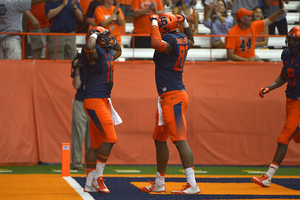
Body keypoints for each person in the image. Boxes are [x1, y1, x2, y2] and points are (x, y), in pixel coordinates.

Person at [138, 13, 200, 194]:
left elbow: (156, 43)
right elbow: (191, 40)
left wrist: (154, 22)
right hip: (169, 96)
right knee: (159, 140)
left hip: (173, 97)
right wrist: (186, 22)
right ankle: (159, 183)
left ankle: (193, 184)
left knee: (180, 140)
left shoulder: (169, 41)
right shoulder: (181, 38)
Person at [251, 26, 300, 187]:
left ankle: (268, 176)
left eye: (294, 40)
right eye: (290, 39)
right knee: (297, 137)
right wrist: (269, 87)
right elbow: (284, 75)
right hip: (290, 100)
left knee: (284, 138)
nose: (290, 43)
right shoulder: (287, 54)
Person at [82, 26, 122, 193]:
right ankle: (98, 178)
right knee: (111, 138)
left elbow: (119, 49)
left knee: (96, 143)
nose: (107, 39)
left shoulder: (107, 52)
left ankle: (88, 183)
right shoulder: (93, 52)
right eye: (103, 36)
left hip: (103, 100)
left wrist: (109, 35)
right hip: (94, 100)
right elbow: (90, 47)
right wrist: (94, 34)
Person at [71, 52, 91, 171]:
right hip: (80, 102)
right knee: (78, 134)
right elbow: (76, 85)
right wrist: (77, 69)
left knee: (92, 136)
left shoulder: (96, 67)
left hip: (93, 102)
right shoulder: (80, 67)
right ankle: (77, 163)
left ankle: (90, 162)